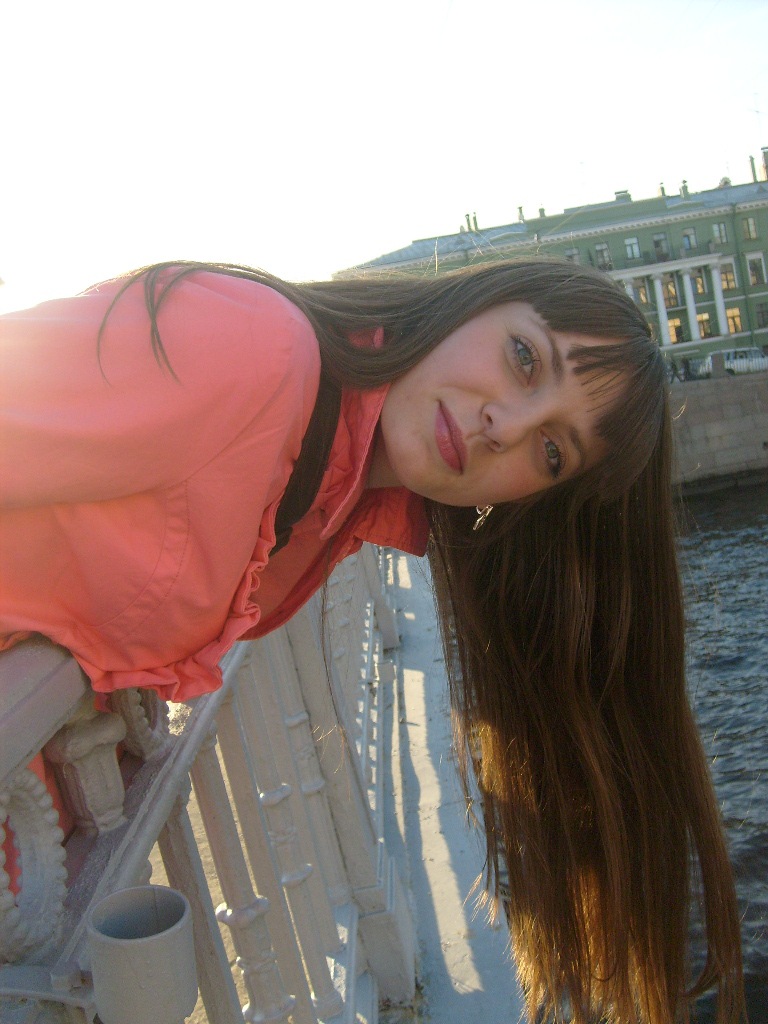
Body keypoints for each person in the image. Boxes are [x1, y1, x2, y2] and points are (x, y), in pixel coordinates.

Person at [0, 259, 744, 1024]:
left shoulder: (333, 503)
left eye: (552, 453)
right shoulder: (260, 353)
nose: (507, 426)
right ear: (471, 302)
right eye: (524, 357)